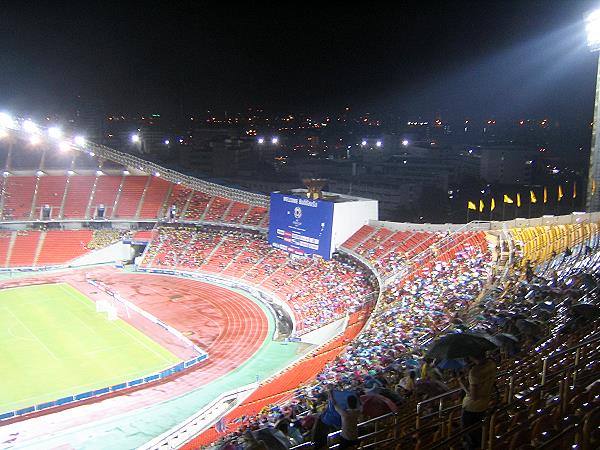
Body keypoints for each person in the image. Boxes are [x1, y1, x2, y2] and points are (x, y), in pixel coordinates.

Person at [458, 352, 497, 450]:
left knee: (468, 432)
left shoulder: (474, 372)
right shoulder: (491, 364)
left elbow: (474, 396)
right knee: (477, 429)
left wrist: (462, 385)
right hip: (484, 403)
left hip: (471, 407)